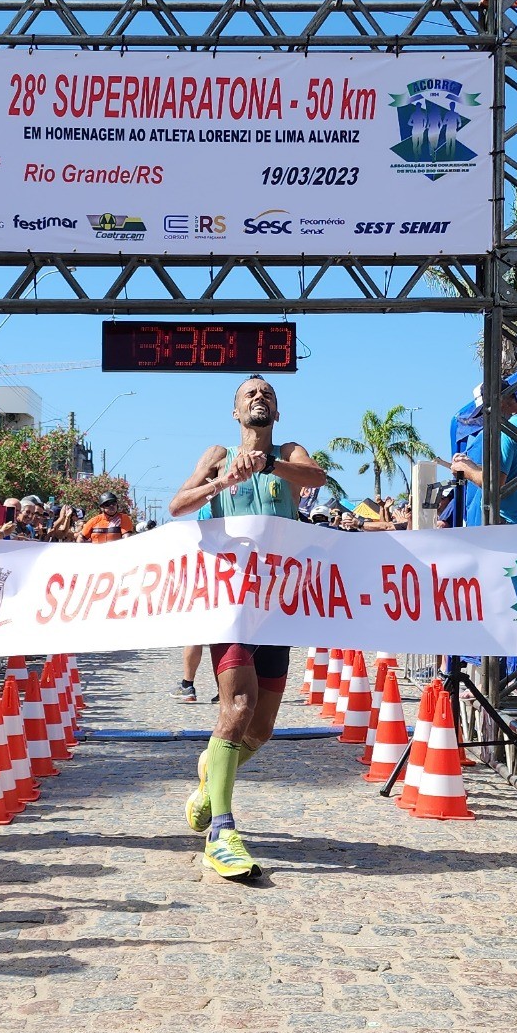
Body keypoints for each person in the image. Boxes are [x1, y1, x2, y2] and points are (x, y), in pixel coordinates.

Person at [169, 375, 331, 882]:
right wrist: (222, 482)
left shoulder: (288, 452)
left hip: (278, 605)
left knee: (259, 730)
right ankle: (222, 830)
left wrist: (267, 465)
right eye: (249, 395)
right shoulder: (217, 454)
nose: (259, 398)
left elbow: (317, 478)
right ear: (235, 413)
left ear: (276, 413)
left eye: (267, 395)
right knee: (235, 710)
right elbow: (178, 506)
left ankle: (208, 781)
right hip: (231, 604)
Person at [450, 384, 517, 525]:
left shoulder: (507, 431)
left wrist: (466, 470)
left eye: (487, 410)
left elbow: (494, 483)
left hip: (508, 527)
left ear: (500, 400)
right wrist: (472, 466)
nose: (486, 418)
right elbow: (512, 471)